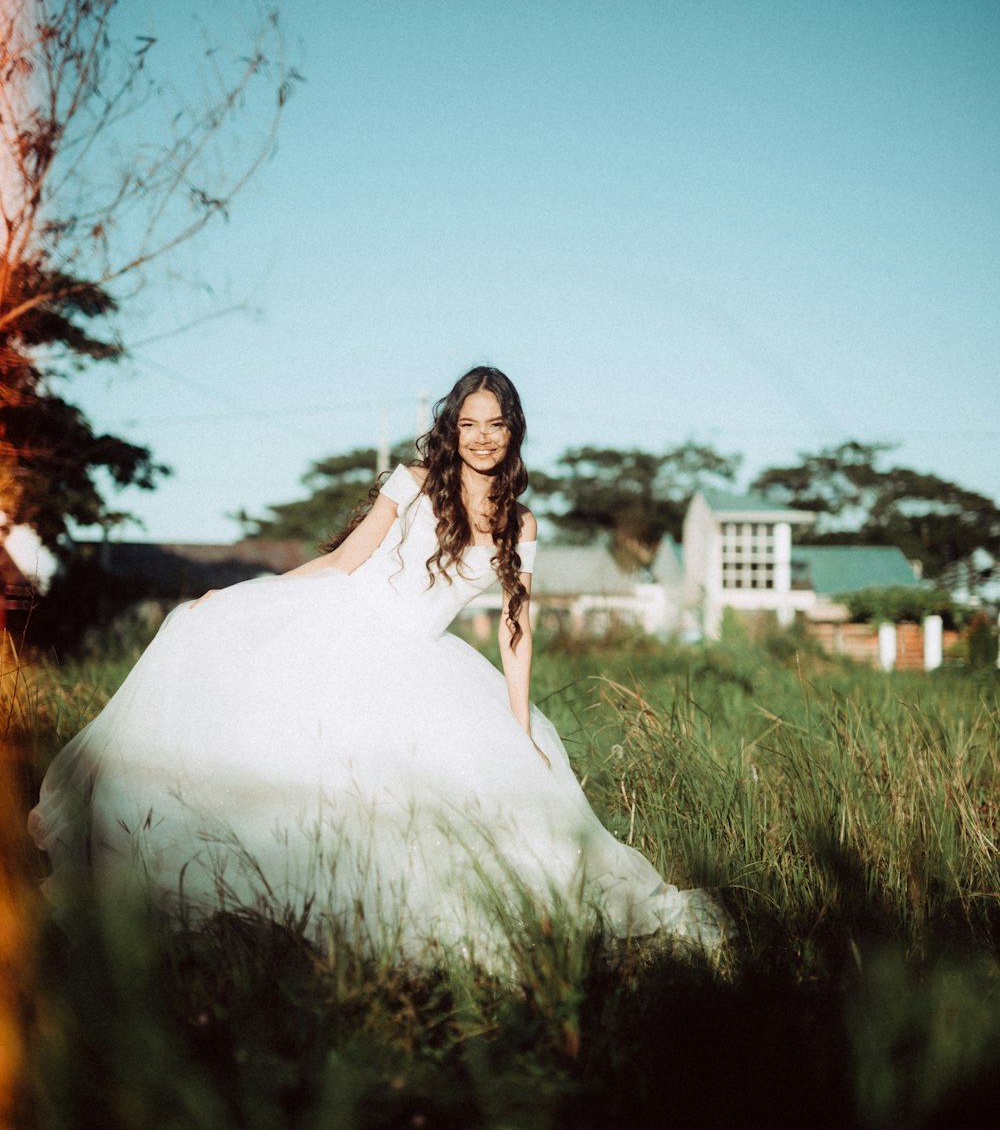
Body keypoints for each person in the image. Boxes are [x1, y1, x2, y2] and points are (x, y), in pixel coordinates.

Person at [29, 366, 722, 967]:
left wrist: (520, 723)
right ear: (451, 428)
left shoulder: (523, 524)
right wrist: (241, 598)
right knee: (279, 744)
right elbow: (343, 561)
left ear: (514, 432)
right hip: (341, 627)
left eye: (498, 424)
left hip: (425, 659)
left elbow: (517, 628)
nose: (483, 436)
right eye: (470, 423)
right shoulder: (416, 481)